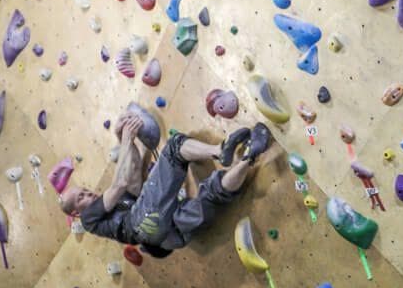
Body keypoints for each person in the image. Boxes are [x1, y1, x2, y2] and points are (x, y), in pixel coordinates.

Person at [57, 103, 270, 259]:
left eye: (84, 190)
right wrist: (125, 139)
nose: (88, 194)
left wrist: (125, 140)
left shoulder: (113, 210)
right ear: (76, 213)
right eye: (81, 198)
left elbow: (133, 177)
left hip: (170, 237)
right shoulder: (89, 219)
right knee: (174, 149)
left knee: (213, 194)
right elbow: (120, 183)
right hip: (142, 222)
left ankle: (250, 156)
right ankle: (219, 150)